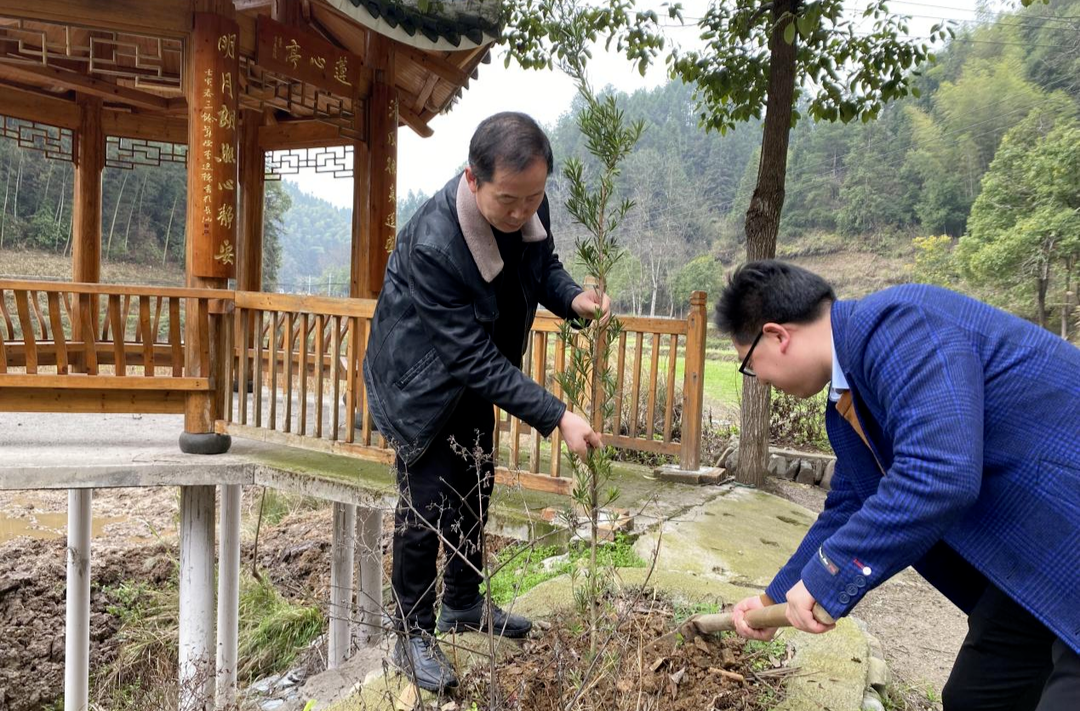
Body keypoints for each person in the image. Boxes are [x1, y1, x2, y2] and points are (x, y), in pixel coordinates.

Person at [715, 260, 1080, 711]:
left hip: (1066, 534)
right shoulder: (848, 403)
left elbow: (941, 472)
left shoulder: (899, 323)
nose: (761, 381)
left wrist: (828, 576)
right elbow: (851, 506)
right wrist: (773, 596)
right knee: (977, 698)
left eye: (749, 366)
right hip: (1039, 560)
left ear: (777, 335)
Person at [363, 112, 609, 693]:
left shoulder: (530, 204)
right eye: (509, 200)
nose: (523, 211)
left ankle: (464, 603)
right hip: (420, 382)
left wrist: (572, 297)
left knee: (476, 484)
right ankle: (412, 631)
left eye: (534, 197)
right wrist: (557, 415)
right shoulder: (432, 243)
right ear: (472, 180)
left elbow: (541, 264)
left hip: (473, 375)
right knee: (425, 508)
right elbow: (468, 356)